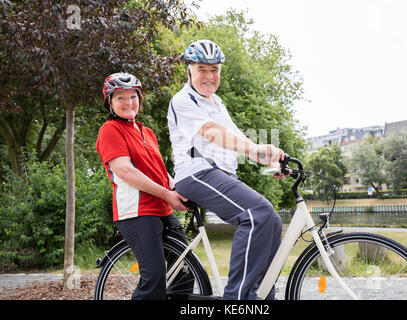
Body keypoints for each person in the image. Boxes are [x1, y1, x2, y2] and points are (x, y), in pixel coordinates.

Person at [167, 40, 286, 300]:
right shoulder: (183, 101)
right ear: (189, 70)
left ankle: (262, 293)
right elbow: (211, 132)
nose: (209, 76)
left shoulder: (218, 102)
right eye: (202, 69)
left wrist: (270, 160)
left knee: (273, 222)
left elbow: (236, 137)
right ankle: (239, 299)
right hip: (197, 173)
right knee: (258, 214)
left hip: (220, 174)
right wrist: (256, 150)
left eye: (215, 69)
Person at [96, 72, 189, 300]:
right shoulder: (110, 130)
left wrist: (178, 188)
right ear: (109, 102)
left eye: (133, 96)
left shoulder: (146, 131)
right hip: (136, 212)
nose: (129, 102)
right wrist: (167, 194)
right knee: (154, 276)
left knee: (184, 269)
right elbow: (126, 171)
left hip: (162, 208)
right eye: (120, 98)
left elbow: (160, 170)